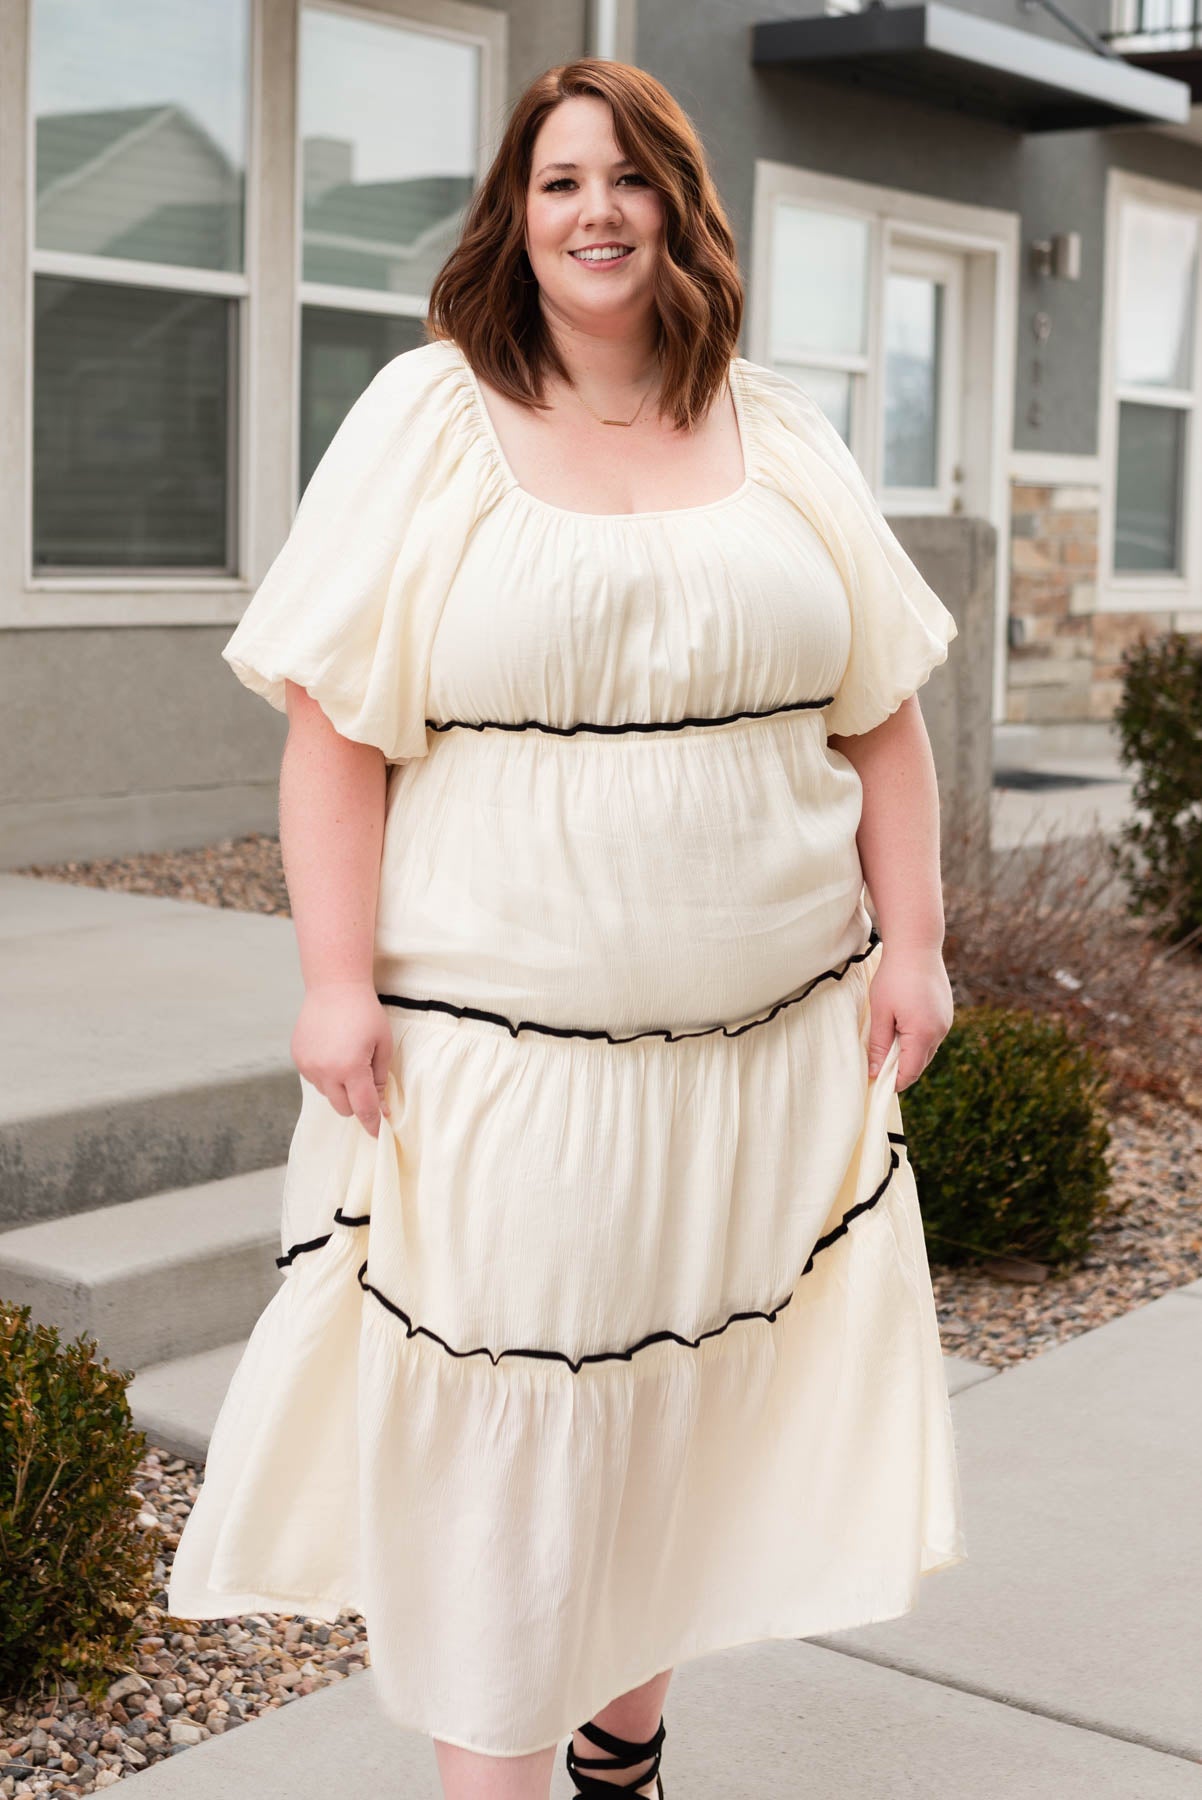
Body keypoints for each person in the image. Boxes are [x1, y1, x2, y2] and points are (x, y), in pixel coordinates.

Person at [167, 56, 967, 1800]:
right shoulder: (426, 417)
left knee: (681, 1411)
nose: (596, 210)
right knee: (511, 1448)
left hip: (766, 1052)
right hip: (501, 1059)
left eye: (628, 178)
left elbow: (882, 716)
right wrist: (329, 986)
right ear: (512, 225)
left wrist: (912, 946)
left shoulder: (787, 432)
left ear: (681, 204)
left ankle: (626, 1749)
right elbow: (332, 732)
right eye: (557, 184)